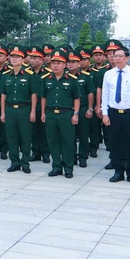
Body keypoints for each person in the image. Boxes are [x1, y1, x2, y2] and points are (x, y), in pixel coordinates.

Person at [101, 46, 130, 185]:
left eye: (121, 56)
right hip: (114, 113)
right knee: (115, 144)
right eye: (115, 56)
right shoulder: (108, 74)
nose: (118, 58)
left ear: (127, 58)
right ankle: (118, 172)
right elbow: (105, 95)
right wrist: (105, 114)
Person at [40, 49, 81, 178]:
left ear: (64, 65)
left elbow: (76, 98)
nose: (56, 65)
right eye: (54, 63)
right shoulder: (46, 79)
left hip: (66, 114)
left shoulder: (72, 80)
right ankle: (56, 166)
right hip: (51, 114)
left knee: (68, 142)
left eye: (59, 63)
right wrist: (43, 112)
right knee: (53, 141)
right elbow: (43, 98)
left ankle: (68, 168)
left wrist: (76, 114)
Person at [0, 45, 36, 173]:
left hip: (24, 109)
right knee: (11, 136)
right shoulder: (6, 75)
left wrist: (32, 111)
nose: (14, 59)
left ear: (23, 59)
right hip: (9, 109)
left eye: (17, 57)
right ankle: (14, 162)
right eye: (13, 57)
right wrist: (3, 112)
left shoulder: (29, 74)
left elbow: (33, 94)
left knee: (25, 137)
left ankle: (25, 162)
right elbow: (3, 94)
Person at [67, 51, 95, 168]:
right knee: (70, 135)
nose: (71, 64)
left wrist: (90, 108)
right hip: (68, 110)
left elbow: (90, 93)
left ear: (79, 63)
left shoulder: (85, 77)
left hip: (83, 109)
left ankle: (83, 157)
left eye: (74, 62)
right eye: (69, 62)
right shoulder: (64, 77)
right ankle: (72, 156)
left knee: (83, 135)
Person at [27, 46, 51, 164]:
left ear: (42, 60)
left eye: (36, 58)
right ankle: (35, 152)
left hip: (44, 105)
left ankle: (45, 153)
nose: (33, 60)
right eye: (32, 57)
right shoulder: (27, 72)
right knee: (33, 130)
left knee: (44, 129)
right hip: (30, 105)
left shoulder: (48, 73)